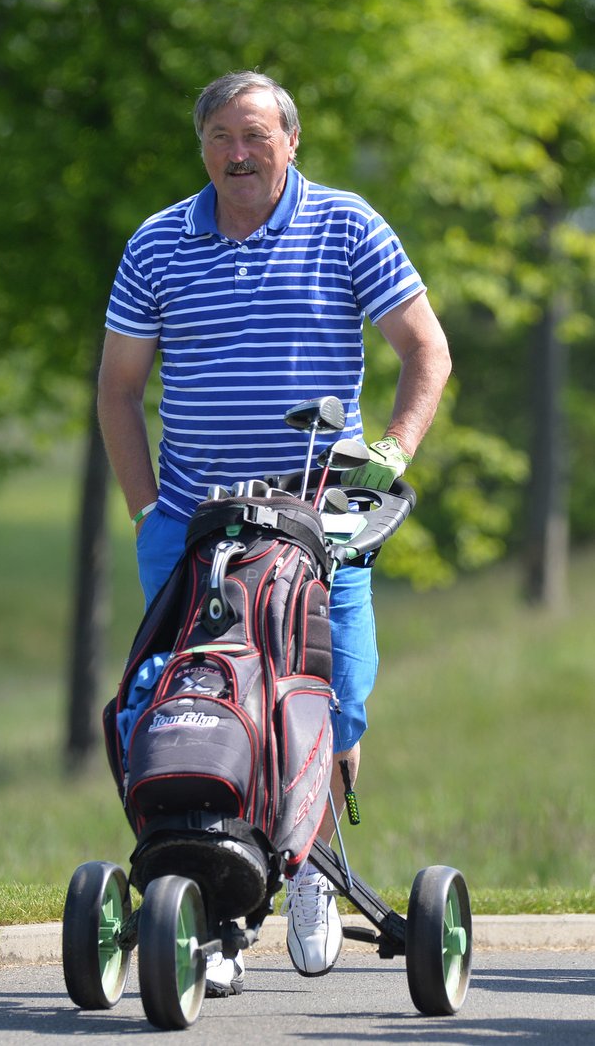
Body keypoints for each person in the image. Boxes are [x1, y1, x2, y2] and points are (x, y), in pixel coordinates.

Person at [97, 70, 451, 996]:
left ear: (291, 140)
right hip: (190, 523)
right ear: (203, 147)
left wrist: (394, 451)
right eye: (221, 136)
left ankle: (306, 870)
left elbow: (426, 349)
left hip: (321, 518)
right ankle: (210, 903)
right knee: (193, 699)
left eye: (255, 135)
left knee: (331, 700)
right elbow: (119, 388)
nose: (239, 154)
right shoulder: (159, 241)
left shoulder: (347, 225)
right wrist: (146, 510)